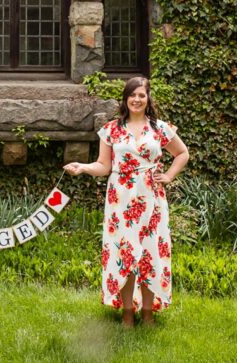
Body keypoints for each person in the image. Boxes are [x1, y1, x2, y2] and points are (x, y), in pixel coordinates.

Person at [64, 76, 189, 327]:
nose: (137, 99)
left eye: (141, 95)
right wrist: (83, 168)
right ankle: (128, 312)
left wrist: (168, 176)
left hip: (151, 199)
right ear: (126, 98)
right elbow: (104, 166)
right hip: (120, 199)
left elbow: (182, 153)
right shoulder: (111, 129)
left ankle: (148, 313)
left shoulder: (160, 128)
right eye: (132, 95)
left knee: (150, 253)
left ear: (148, 98)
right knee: (125, 253)